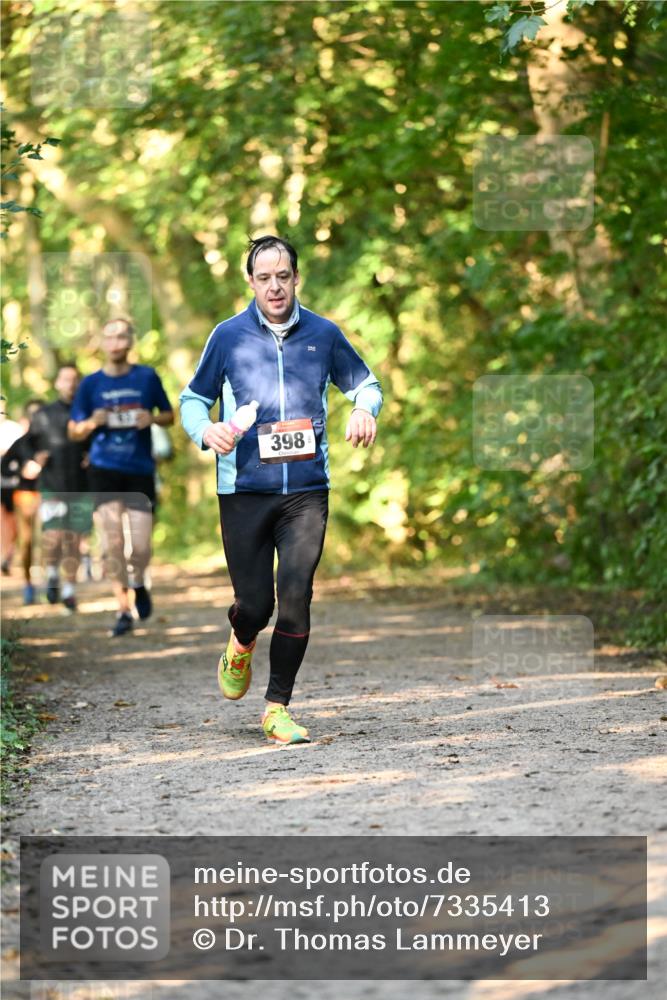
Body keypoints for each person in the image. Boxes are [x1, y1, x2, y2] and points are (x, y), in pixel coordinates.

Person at [180, 235, 382, 745]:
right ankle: (240, 640)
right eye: (264, 277)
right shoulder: (227, 337)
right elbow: (192, 400)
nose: (275, 286)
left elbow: (366, 383)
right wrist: (206, 430)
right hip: (244, 490)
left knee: (296, 597)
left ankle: (277, 708)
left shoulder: (323, 333)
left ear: (296, 278)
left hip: (306, 492)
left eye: (283, 276)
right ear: (251, 282)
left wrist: (364, 408)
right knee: (255, 605)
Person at [68, 318, 174, 636]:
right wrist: (90, 423)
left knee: (139, 546)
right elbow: (73, 431)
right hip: (103, 469)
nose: (115, 342)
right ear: (102, 342)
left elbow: (169, 415)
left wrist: (151, 418)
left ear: (130, 342)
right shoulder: (90, 384)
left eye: (121, 336)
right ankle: (123, 609)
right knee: (113, 542)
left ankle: (139, 583)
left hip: (139, 469)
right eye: (109, 336)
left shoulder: (146, 376)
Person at [23, 364, 91, 612]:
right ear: (57, 383)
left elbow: (99, 441)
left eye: (75, 380)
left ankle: (70, 592)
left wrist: (93, 455)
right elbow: (25, 444)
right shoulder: (43, 414)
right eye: (66, 379)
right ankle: (52, 575)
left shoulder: (87, 412)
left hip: (81, 486)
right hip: (51, 485)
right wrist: (34, 458)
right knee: (53, 537)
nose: (71, 384)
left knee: (73, 540)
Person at [0, 400, 45, 603]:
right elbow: (5, 467)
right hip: (26, 495)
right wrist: (22, 471)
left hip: (52, 494)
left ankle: (56, 581)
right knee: (27, 542)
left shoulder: (54, 440)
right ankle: (28, 584)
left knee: (53, 539)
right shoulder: (22, 442)